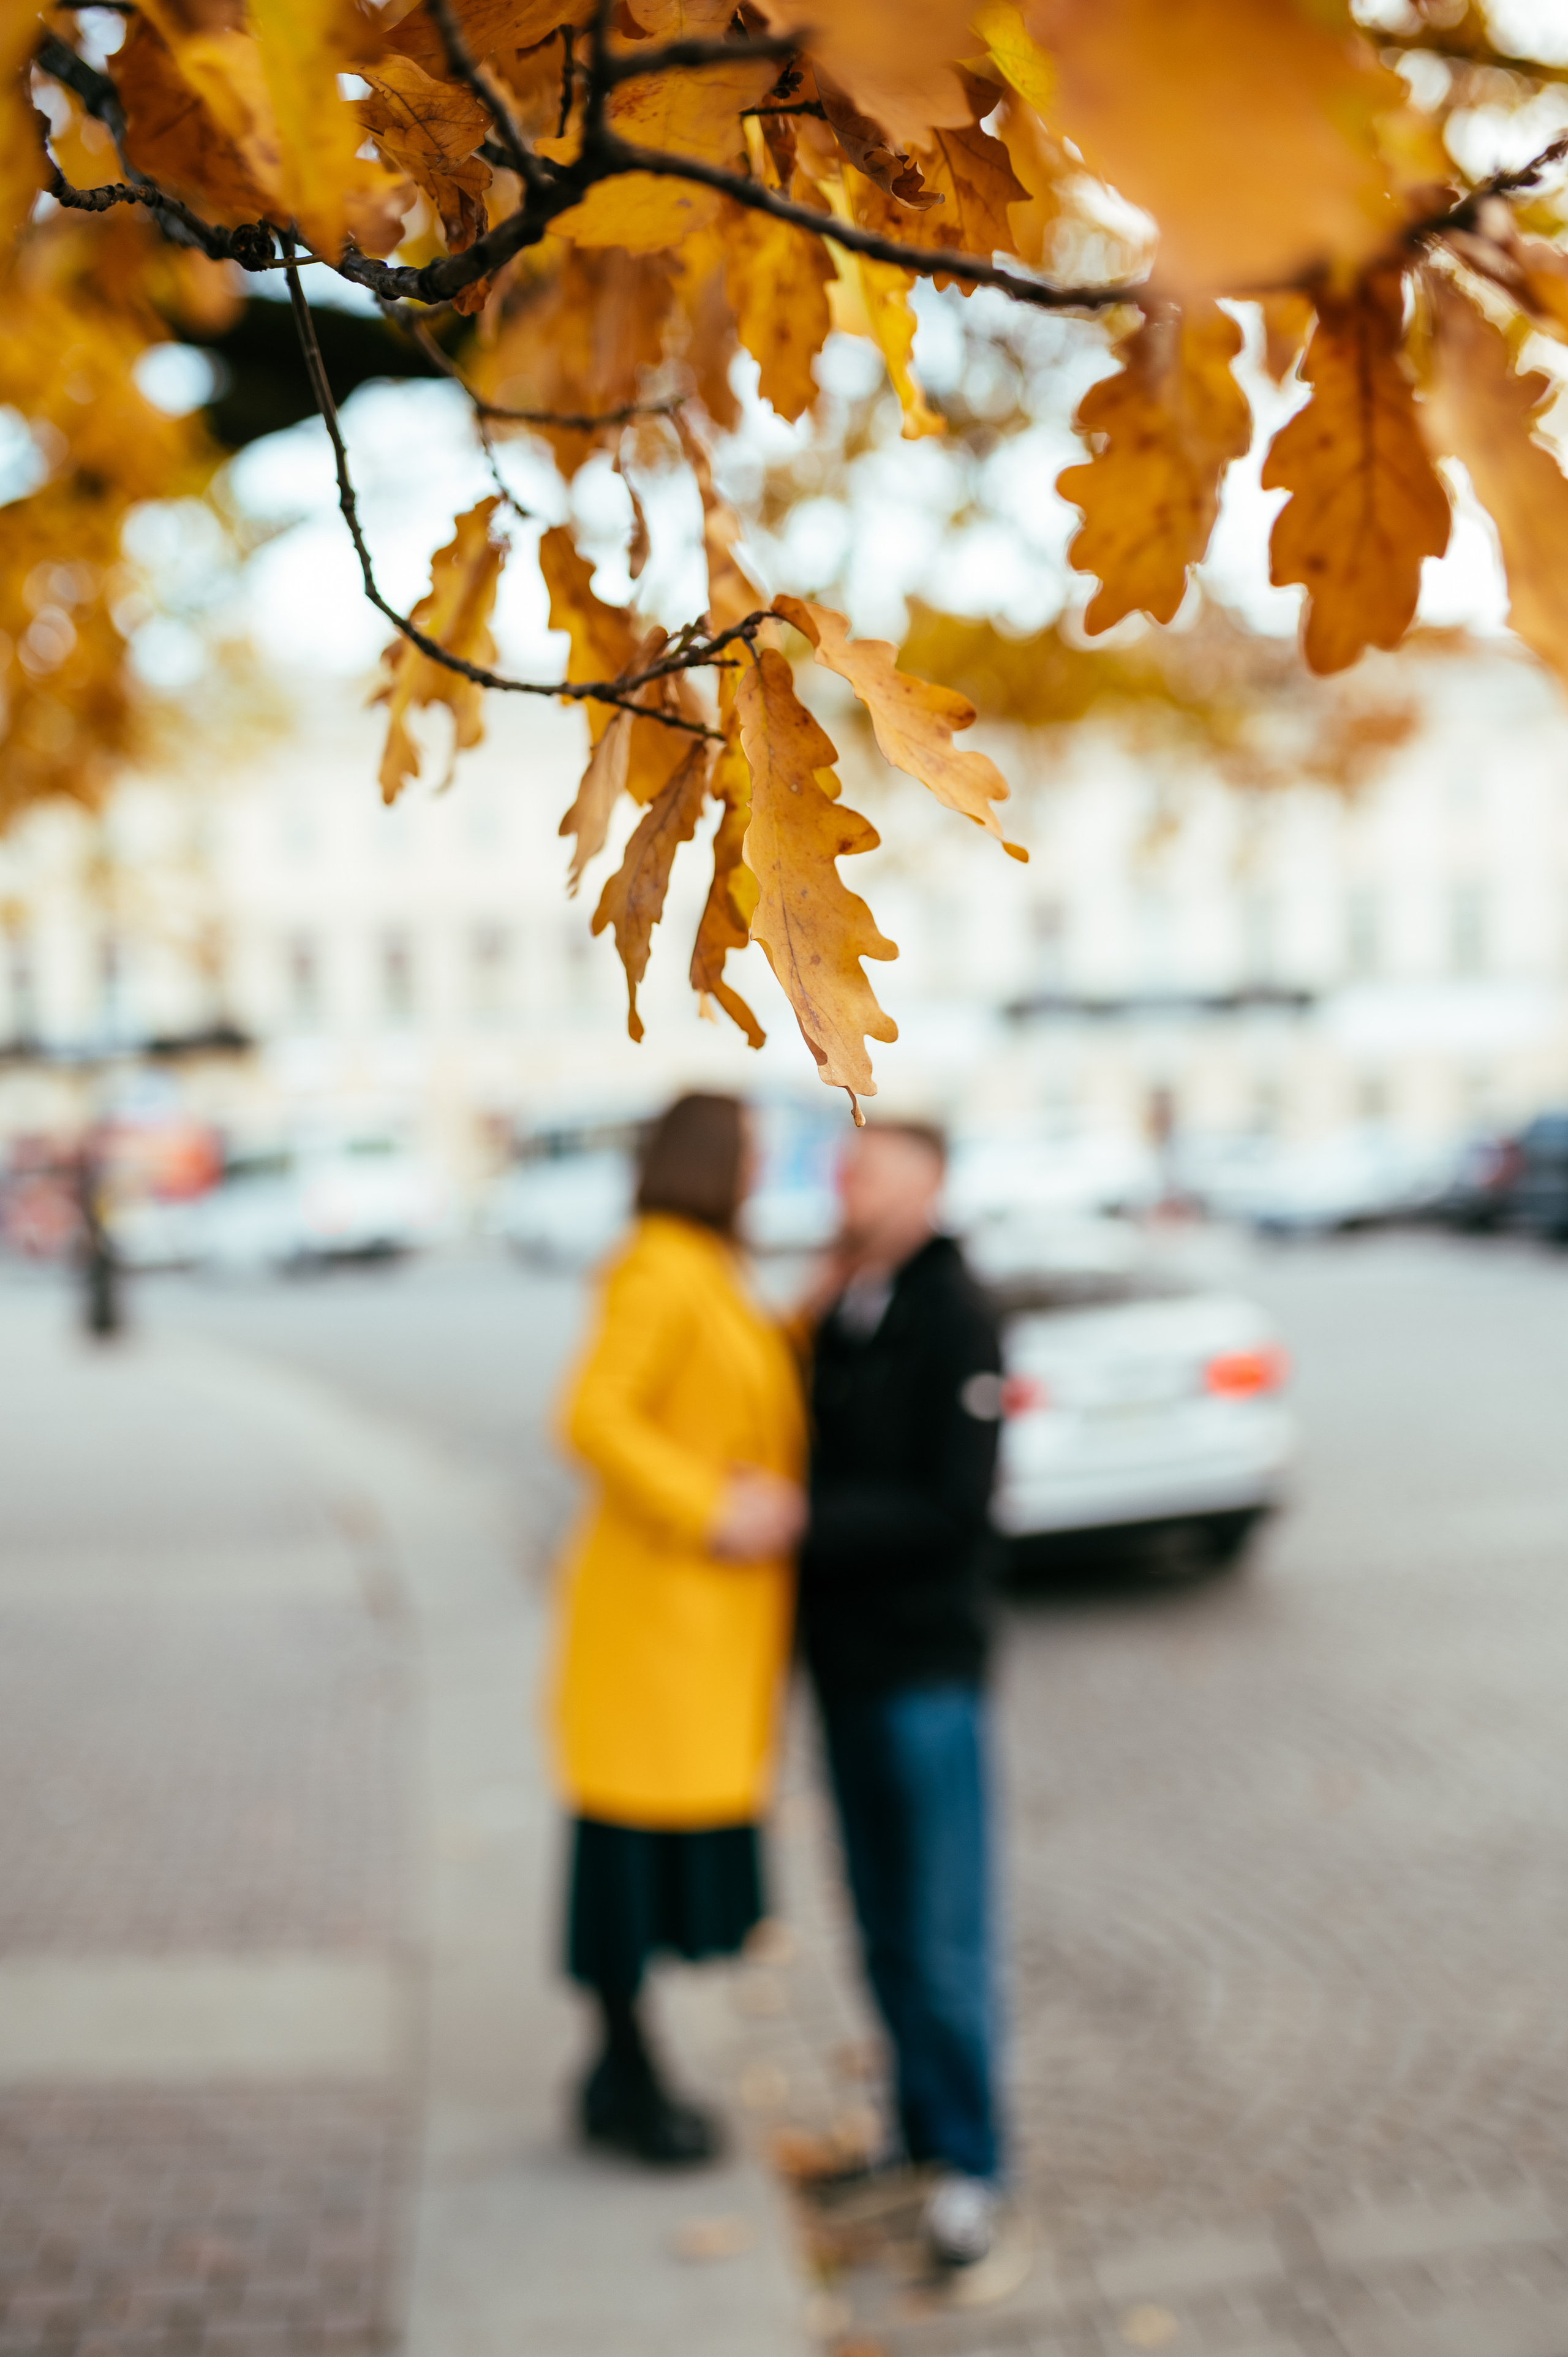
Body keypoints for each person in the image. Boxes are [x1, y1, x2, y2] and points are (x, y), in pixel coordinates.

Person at [549, 1092, 807, 2165]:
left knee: (642, 1862)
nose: (761, 1170)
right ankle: (623, 2079)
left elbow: (731, 1379)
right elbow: (592, 1413)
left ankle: (622, 2072)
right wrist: (716, 1506)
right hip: (658, 1629)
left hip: (690, 1633)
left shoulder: (705, 1265)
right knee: (626, 1864)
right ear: (714, 1160)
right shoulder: (658, 1264)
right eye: (752, 1152)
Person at [796, 1119, 1006, 2270]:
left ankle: (974, 2169)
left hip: (926, 1672)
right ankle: (918, 2138)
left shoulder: (955, 1310)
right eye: (841, 1167)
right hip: (847, 1667)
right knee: (881, 1928)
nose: (845, 1183)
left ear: (927, 1183)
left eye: (867, 1168)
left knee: (942, 1934)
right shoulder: (846, 1304)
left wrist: (803, 1527)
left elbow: (952, 1505)